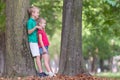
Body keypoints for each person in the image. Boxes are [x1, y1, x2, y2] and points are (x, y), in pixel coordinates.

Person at [27, 6, 48, 77]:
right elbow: (29, 32)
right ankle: (41, 72)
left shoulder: (35, 21)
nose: (38, 14)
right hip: (33, 42)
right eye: (37, 13)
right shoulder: (30, 22)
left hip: (36, 42)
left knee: (40, 56)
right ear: (33, 13)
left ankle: (41, 71)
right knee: (38, 57)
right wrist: (36, 27)